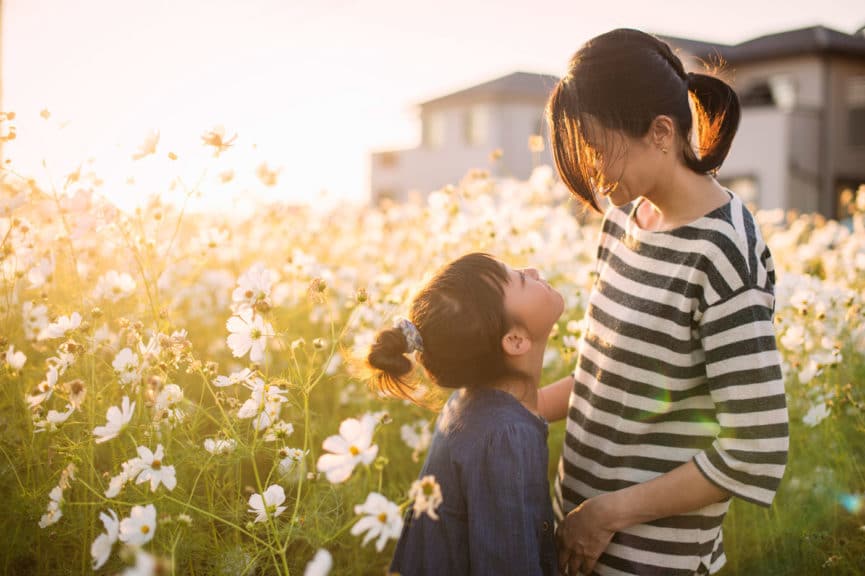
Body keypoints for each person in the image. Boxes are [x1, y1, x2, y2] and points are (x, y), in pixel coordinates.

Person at [538, 28, 789, 575]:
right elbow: (606, 376)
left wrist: (607, 514)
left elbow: (756, 448)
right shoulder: (624, 220)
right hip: (580, 542)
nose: (594, 170)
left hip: (654, 561)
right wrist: (510, 411)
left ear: (660, 132)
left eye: (600, 147)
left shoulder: (725, 251)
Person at [367, 252, 564, 575]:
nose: (532, 269)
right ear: (515, 340)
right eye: (523, 280)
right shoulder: (504, 438)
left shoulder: (474, 405)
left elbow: (533, 406)